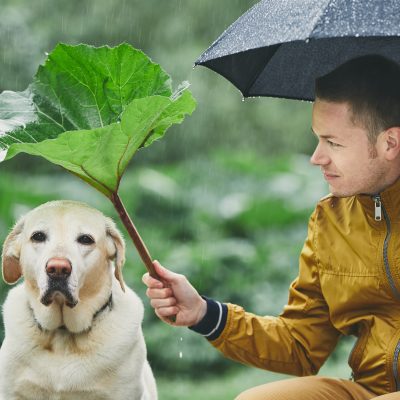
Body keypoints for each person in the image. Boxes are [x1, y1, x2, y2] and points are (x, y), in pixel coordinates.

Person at [142, 55, 400, 400]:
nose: (317, 157)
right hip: (370, 390)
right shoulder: (331, 221)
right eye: (318, 139)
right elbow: (301, 345)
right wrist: (205, 314)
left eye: (333, 143)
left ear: (390, 143)